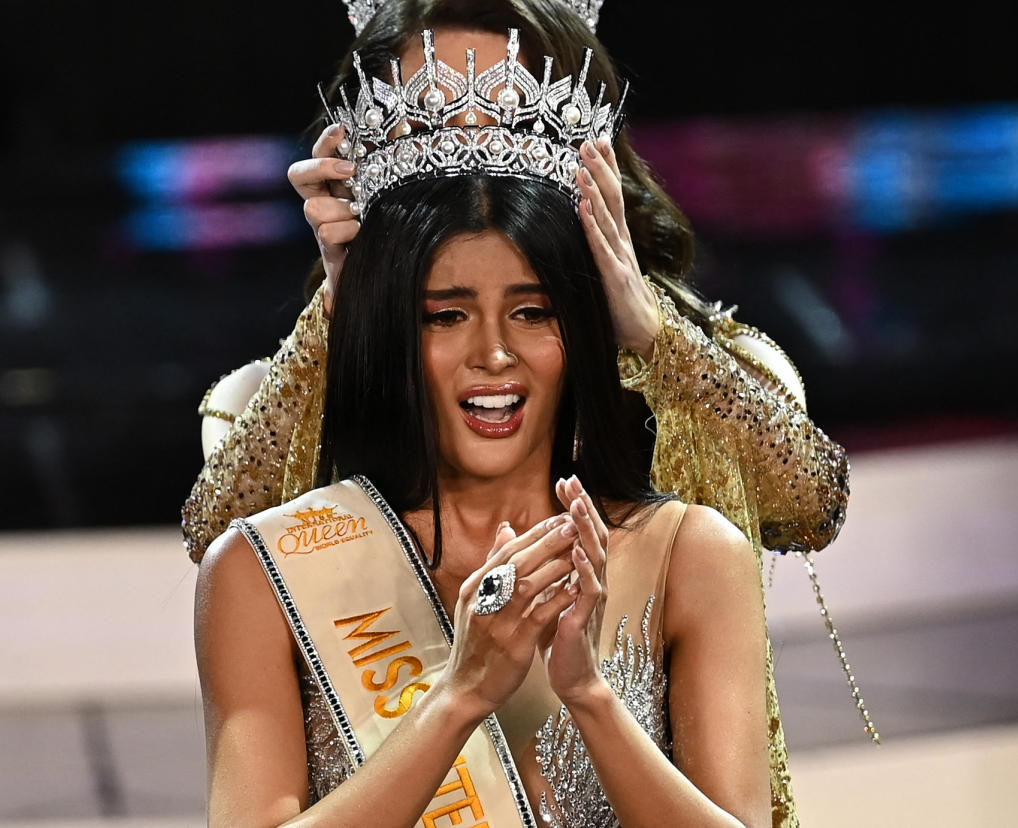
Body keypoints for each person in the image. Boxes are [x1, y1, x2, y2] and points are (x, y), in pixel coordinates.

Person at [185, 2, 856, 823]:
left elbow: (808, 501)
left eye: (502, 99)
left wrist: (646, 330)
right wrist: (348, 304)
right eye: (439, 110)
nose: (494, 354)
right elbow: (222, 534)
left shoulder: (686, 416)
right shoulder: (313, 451)